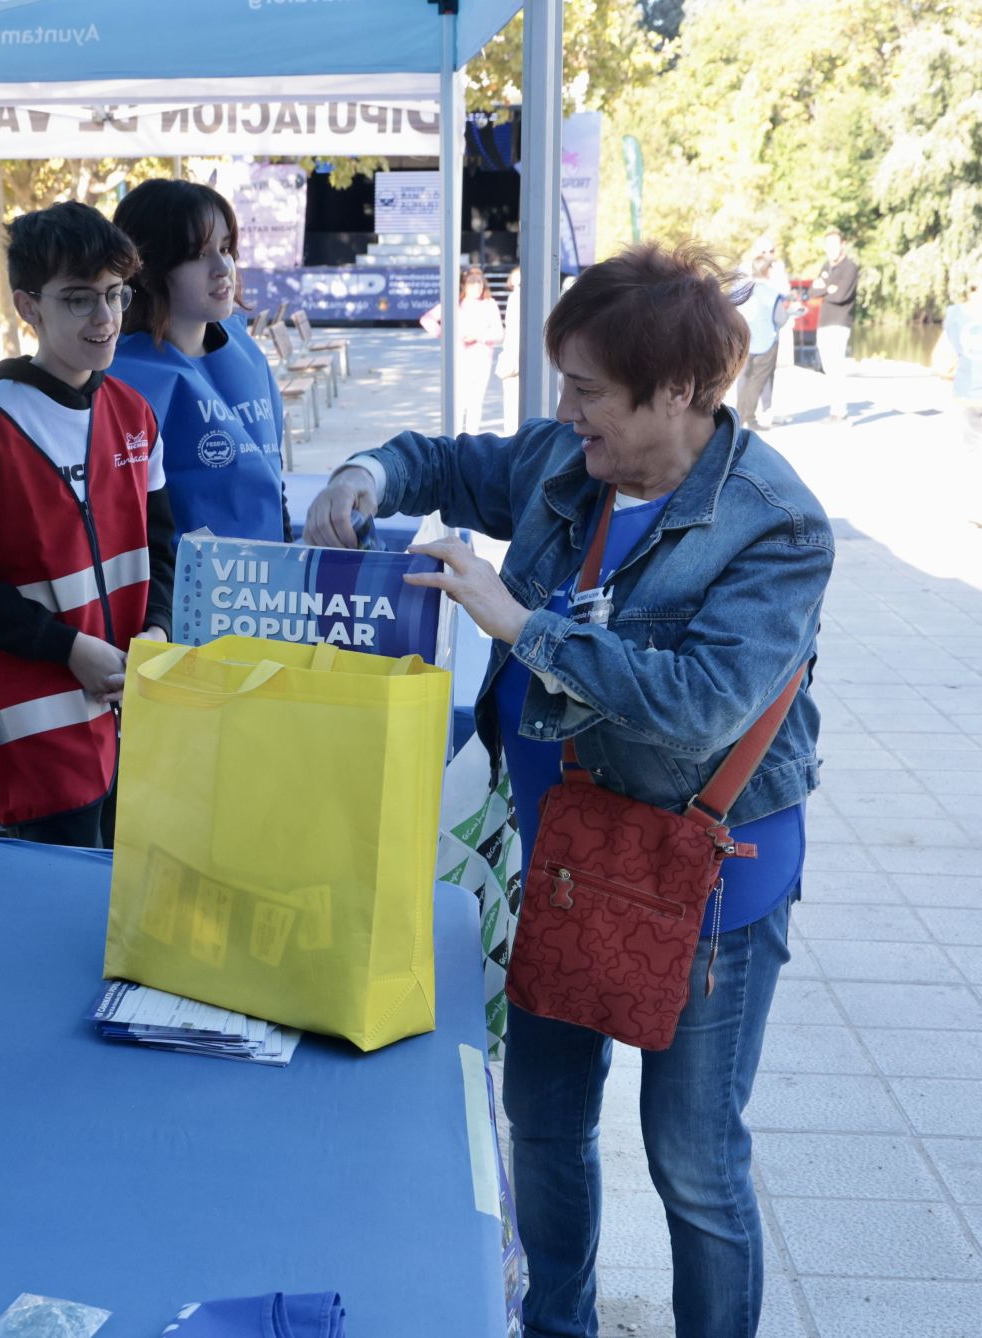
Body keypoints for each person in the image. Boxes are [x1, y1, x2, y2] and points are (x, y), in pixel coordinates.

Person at [306, 243, 832, 1338]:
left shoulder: (775, 524)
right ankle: (556, 1324)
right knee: (542, 1122)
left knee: (693, 1162)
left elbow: (701, 703)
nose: (564, 412)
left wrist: (522, 625)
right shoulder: (566, 460)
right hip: (562, 861)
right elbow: (446, 462)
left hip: (705, 887)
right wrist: (365, 474)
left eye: (588, 391)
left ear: (676, 391)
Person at [0, 201, 176, 847]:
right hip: (37, 725)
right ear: (27, 306)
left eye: (116, 294)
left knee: (127, 880)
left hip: (130, 703)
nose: (106, 318)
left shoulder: (134, 414)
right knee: (68, 887)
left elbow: (161, 545)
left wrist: (157, 628)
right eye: (79, 299)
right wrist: (67, 648)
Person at [109, 179, 288, 543]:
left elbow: (272, 477)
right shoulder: (121, 380)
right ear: (148, 269)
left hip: (270, 569)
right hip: (182, 576)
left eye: (225, 248)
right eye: (198, 254)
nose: (223, 267)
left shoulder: (244, 349)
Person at [421, 265, 507, 435]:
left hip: (482, 359)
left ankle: (471, 438)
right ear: (464, 285)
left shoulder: (489, 304)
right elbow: (427, 319)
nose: (476, 287)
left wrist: (479, 337)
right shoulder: (455, 304)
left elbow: (499, 333)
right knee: (459, 401)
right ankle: (455, 437)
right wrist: (446, 335)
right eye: (472, 283)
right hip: (459, 358)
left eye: (479, 283)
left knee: (476, 402)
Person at [734, 255, 791, 431]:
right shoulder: (771, 293)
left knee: (744, 379)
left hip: (745, 342)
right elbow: (780, 319)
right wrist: (790, 313)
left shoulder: (743, 291)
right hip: (766, 342)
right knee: (756, 381)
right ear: (768, 270)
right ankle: (749, 418)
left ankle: (739, 417)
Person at [931, 272, 982, 455]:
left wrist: (955, 373)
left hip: (968, 394)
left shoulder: (958, 315)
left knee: (972, 450)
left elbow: (940, 364)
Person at [812, 229, 858, 420]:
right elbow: (812, 292)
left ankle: (840, 411)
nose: (830, 249)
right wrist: (828, 288)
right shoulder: (826, 266)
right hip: (824, 322)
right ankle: (834, 409)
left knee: (836, 367)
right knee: (828, 368)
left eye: (834, 245)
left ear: (842, 245)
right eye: (828, 246)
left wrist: (823, 288)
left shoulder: (850, 268)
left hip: (839, 322)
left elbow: (841, 296)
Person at [498, 265, 523, 435]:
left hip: (515, 354)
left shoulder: (517, 298)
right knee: (511, 402)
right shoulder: (514, 298)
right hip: (512, 354)